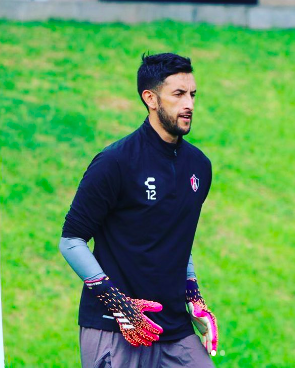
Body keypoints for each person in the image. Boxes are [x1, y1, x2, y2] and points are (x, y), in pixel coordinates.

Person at [59, 53, 218, 368]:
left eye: (192, 94)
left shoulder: (199, 165)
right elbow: (71, 240)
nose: (189, 104)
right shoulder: (115, 162)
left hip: (173, 329)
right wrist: (120, 306)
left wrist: (194, 297)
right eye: (178, 94)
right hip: (115, 328)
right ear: (151, 98)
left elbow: (176, 239)